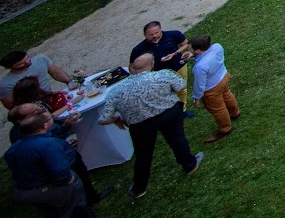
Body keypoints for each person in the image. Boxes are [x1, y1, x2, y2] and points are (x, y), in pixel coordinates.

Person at [99, 54, 202, 199]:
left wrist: (117, 119)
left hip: (140, 126)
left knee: (143, 155)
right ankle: (190, 165)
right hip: (168, 115)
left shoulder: (116, 91)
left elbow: (103, 119)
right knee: (177, 140)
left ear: (132, 68)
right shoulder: (163, 75)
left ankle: (139, 189)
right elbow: (181, 86)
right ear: (152, 64)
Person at [4, 104, 94, 217]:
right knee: (75, 211)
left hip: (27, 192)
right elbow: (61, 173)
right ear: (45, 125)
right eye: (49, 118)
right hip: (51, 190)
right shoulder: (48, 144)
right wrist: (70, 180)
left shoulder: (13, 149)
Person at [183, 35, 239, 142]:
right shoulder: (217, 47)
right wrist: (193, 55)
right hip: (223, 76)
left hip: (212, 88)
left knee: (218, 109)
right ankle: (235, 113)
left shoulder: (200, 67)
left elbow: (199, 85)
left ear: (198, 50)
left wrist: (197, 97)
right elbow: (206, 55)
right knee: (227, 95)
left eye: (191, 49)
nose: (189, 50)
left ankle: (225, 129)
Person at [0, 52, 73, 110]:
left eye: (28, 58)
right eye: (21, 64)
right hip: (35, 108)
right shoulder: (5, 84)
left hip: (50, 98)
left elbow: (56, 72)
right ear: (8, 67)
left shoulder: (40, 59)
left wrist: (71, 83)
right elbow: (11, 106)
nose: (27, 62)